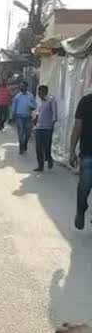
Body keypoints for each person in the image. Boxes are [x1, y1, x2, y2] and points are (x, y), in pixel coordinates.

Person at [70, 92, 92, 230]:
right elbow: (77, 126)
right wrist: (72, 151)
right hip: (88, 154)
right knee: (84, 188)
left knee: (84, 187)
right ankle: (81, 208)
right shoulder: (86, 101)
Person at [33, 85, 57, 172]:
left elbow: (54, 114)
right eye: (38, 93)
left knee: (47, 147)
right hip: (39, 127)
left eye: (40, 93)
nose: (39, 95)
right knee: (38, 148)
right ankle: (40, 166)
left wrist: (52, 125)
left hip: (47, 128)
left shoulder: (51, 100)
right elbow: (38, 112)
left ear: (45, 92)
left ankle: (49, 158)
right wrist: (35, 118)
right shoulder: (39, 101)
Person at [12, 82, 36, 154]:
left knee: (28, 133)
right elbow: (14, 106)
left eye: (23, 86)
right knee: (20, 132)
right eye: (21, 86)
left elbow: (34, 105)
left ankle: (25, 143)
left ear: (26, 87)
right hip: (19, 116)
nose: (21, 88)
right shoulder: (17, 96)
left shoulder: (31, 96)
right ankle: (21, 147)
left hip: (28, 117)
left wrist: (31, 106)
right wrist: (13, 115)